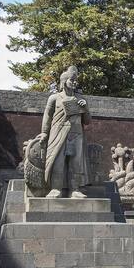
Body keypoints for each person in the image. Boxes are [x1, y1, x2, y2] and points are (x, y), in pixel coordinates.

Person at [37, 66, 91, 198]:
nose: (74, 82)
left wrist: (85, 108)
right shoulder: (54, 98)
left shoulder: (80, 99)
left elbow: (87, 121)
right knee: (58, 161)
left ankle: (75, 190)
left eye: (76, 80)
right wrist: (44, 132)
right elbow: (47, 116)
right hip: (58, 131)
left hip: (76, 133)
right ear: (64, 81)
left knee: (75, 163)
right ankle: (56, 189)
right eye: (72, 80)